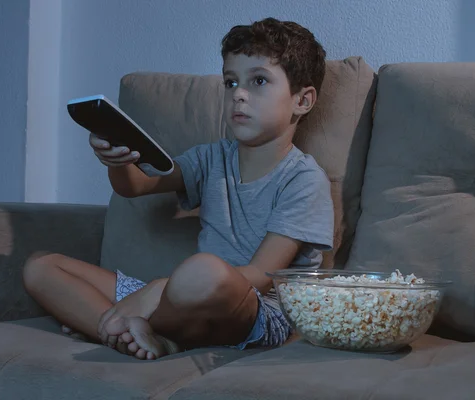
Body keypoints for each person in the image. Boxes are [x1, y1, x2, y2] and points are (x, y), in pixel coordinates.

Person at [23, 17, 334, 360]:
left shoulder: (304, 179)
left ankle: (133, 326)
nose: (239, 95)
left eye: (258, 80)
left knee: (205, 269)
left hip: (259, 312)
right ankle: (129, 333)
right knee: (41, 266)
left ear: (302, 101)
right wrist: (117, 160)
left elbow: (261, 275)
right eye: (231, 83)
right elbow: (137, 186)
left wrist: (159, 288)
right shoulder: (212, 157)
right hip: (182, 295)